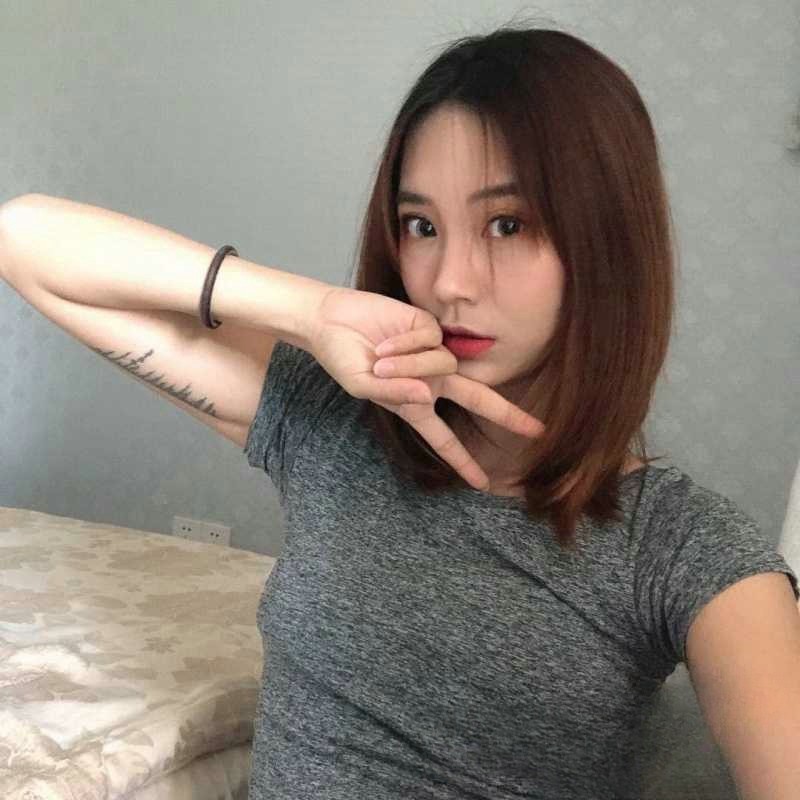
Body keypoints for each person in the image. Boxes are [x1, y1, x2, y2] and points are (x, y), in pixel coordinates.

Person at [1, 21, 797, 800]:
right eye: (421, 226)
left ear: (608, 241)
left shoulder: (681, 546)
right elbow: (23, 237)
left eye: (508, 224)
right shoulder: (333, 422)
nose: (449, 280)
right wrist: (312, 310)